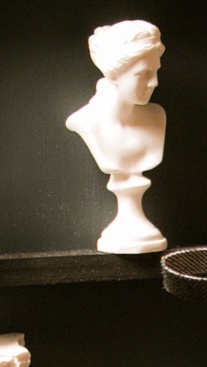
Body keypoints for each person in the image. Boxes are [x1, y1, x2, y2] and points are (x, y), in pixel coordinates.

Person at [66, 20, 167, 253]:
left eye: (156, 72)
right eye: (143, 74)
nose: (155, 82)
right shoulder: (86, 122)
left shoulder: (157, 117)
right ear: (115, 73)